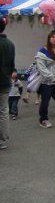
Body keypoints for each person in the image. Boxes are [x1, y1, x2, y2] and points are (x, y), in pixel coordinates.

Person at [0, 18, 16, 148]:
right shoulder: (10, 44)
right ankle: (3, 139)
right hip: (5, 81)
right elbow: (12, 65)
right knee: (4, 110)